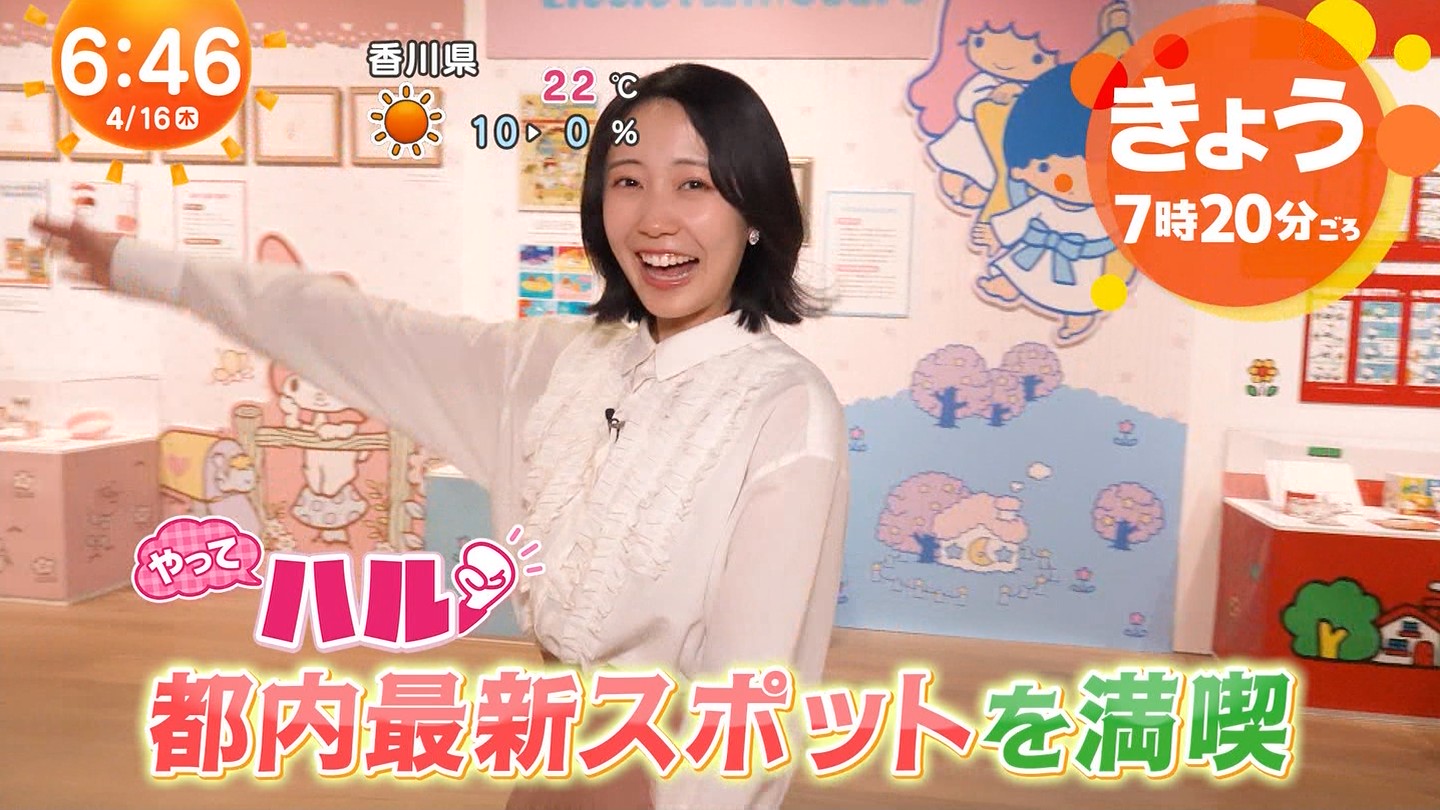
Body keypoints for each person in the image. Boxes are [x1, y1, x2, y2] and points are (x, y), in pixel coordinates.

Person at [35, 62, 849, 810]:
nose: (656, 219)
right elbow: (356, 328)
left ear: (754, 211)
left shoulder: (784, 408)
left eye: (695, 184)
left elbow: (755, 694)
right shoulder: (553, 366)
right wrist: (153, 270)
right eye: (628, 181)